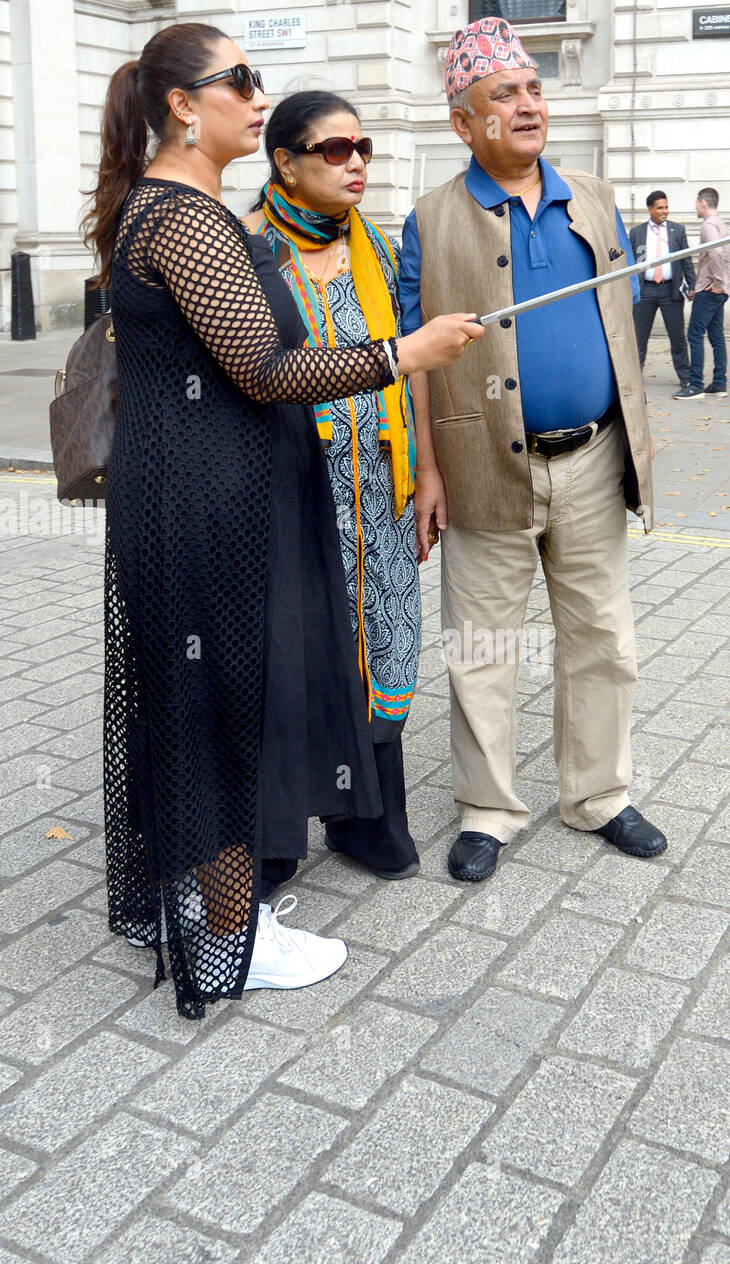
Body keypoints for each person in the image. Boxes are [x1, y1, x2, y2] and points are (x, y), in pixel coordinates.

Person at [85, 22, 481, 1016]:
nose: (258, 99)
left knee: (206, 703)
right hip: (196, 502)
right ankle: (234, 938)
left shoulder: (187, 205)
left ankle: (216, 906)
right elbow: (264, 371)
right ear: (183, 103)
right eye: (241, 81)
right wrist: (406, 353)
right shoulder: (183, 217)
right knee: (216, 711)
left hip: (197, 491)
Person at [398, 16, 665, 884]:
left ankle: (598, 796)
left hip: (591, 458)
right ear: (463, 122)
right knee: (480, 645)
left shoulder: (591, 195)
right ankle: (487, 807)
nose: (526, 106)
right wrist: (428, 471)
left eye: (534, 90)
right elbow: (414, 360)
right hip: (482, 467)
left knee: (604, 637)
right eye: (503, 95)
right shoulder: (429, 220)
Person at [245, 91, 422, 881]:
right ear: (284, 161)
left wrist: (433, 475)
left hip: (377, 492)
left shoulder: (374, 248)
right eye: (335, 149)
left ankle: (365, 817)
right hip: (286, 500)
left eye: (364, 148)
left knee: (378, 647)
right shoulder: (246, 250)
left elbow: (411, 372)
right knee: (290, 656)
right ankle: (276, 831)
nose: (355, 163)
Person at [629, 190, 694, 384]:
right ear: (649, 209)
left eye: (666, 207)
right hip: (645, 291)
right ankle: (632, 379)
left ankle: (686, 378)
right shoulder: (637, 232)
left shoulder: (677, 230)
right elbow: (629, 261)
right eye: (660, 208)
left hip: (670, 291)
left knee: (677, 338)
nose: (664, 211)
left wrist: (693, 284)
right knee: (638, 338)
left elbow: (686, 259)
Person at [674, 187, 730, 400]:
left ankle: (695, 384)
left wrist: (717, 282)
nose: (695, 207)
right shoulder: (721, 223)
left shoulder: (708, 225)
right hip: (719, 289)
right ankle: (719, 383)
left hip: (710, 289)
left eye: (697, 203)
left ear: (704, 203)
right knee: (716, 335)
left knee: (695, 334)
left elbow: (715, 252)